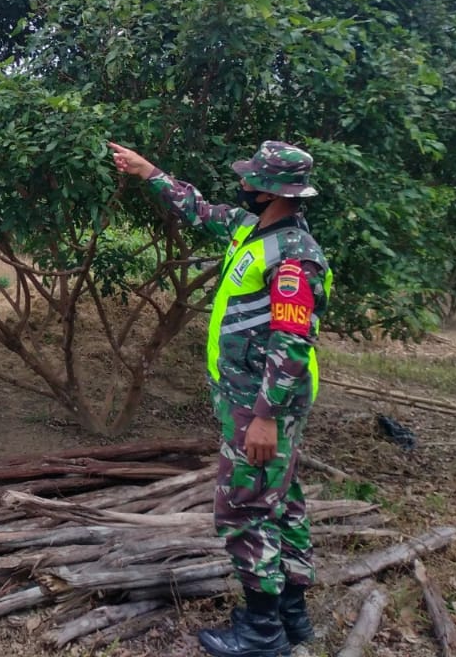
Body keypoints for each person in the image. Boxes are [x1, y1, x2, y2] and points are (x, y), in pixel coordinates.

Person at [108, 139, 331, 657]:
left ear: (274, 190)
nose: (244, 186)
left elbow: (292, 339)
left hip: (263, 402)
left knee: (245, 510)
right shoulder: (252, 228)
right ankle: (291, 617)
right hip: (250, 397)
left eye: (252, 180)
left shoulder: (295, 257)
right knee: (282, 500)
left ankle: (261, 634)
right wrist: (149, 172)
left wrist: (265, 417)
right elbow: (198, 208)